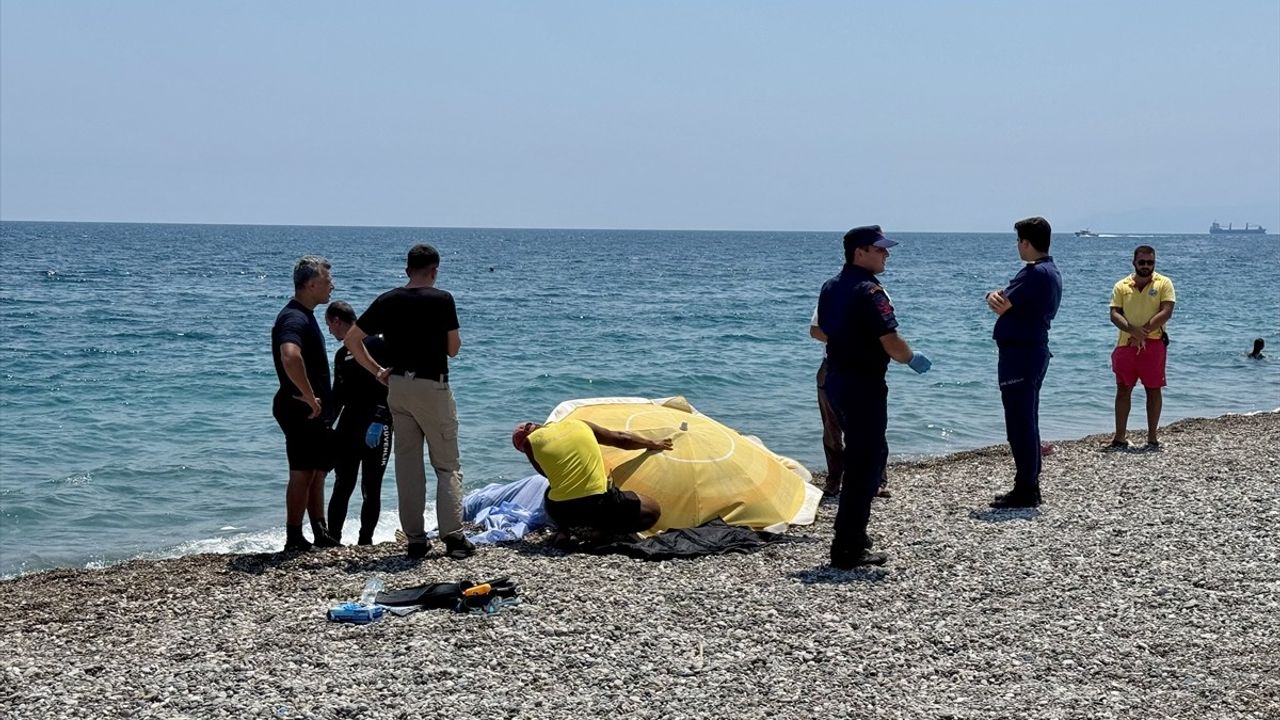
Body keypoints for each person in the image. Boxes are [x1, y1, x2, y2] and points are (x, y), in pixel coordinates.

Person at [342, 244, 473, 560]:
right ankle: (453, 537)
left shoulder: (388, 300)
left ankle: (415, 539)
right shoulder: (442, 300)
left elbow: (351, 340)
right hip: (431, 385)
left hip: (398, 387)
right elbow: (453, 349)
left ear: (406, 271)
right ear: (435, 270)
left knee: (408, 465)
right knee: (446, 464)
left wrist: (377, 371)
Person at [818, 225, 931, 568]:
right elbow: (891, 341)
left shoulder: (830, 287)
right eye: (879, 249)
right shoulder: (870, 292)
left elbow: (822, 330)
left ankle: (853, 534)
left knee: (861, 455)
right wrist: (911, 358)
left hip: (835, 380)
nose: (886, 254)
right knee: (864, 465)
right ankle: (848, 547)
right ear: (860, 252)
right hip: (863, 384)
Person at [984, 216, 1063, 508]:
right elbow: (1006, 302)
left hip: (1022, 353)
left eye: (1019, 241)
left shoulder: (1034, 273)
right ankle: (1028, 484)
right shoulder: (1049, 271)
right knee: (1027, 418)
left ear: (1026, 243)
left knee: (1020, 422)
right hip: (1031, 350)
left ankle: (1026, 487)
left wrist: (994, 297)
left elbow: (999, 302)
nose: (1018, 246)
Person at [271, 255, 340, 551]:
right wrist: (310, 395)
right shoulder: (294, 317)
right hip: (299, 408)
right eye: (327, 281)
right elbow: (290, 356)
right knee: (301, 472)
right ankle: (294, 537)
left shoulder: (306, 314)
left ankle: (319, 531)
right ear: (311, 284)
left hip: (310, 410)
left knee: (316, 471)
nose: (332, 287)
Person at [510, 419, 672, 541]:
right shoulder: (578, 423)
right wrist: (653, 443)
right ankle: (604, 531)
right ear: (536, 425)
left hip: (561, 510)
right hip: (599, 504)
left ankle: (563, 531)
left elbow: (549, 475)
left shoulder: (530, 445)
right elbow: (621, 439)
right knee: (653, 509)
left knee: (551, 490)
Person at [324, 301, 392, 545]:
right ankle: (333, 538)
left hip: (377, 424)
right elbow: (338, 395)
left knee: (370, 487)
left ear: (336, 321)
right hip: (349, 426)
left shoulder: (378, 343)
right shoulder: (342, 354)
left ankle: (365, 541)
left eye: (329, 326)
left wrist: (381, 419)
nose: (330, 332)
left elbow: (390, 385)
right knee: (343, 484)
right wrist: (326, 425)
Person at [1108, 245, 1175, 448]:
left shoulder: (1164, 283)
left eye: (1150, 262)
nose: (1146, 266)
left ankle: (1152, 437)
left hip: (1154, 344)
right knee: (1123, 389)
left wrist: (1142, 332)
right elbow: (1114, 314)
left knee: (1153, 390)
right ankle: (1120, 437)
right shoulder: (1121, 286)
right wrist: (1132, 331)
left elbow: (1166, 311)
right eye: (1142, 262)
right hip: (1125, 344)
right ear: (1134, 262)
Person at [809, 307, 843, 498]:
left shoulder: (879, 295)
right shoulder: (832, 292)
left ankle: (877, 480)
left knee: (869, 427)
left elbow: (888, 334)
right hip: (832, 366)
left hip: (865, 368)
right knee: (831, 427)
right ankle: (834, 479)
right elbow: (815, 330)